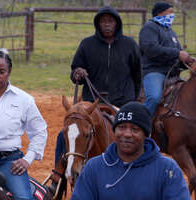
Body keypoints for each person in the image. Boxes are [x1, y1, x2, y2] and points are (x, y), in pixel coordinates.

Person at [52, 5, 142, 189]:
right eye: (103, 21)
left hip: (121, 102)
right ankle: (58, 174)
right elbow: (74, 70)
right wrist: (77, 72)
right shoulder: (87, 44)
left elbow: (138, 75)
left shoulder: (130, 45)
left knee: (138, 134)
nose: (107, 25)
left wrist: (136, 101)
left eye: (110, 21)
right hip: (89, 102)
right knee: (69, 130)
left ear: (117, 24)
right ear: (98, 24)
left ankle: (139, 172)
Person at [70, 101, 191, 200]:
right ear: (114, 131)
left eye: (135, 129)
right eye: (121, 127)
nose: (127, 134)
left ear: (146, 135)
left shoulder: (167, 169)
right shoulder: (94, 167)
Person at [0, 50, 48, 200]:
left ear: (9, 72)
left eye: (1, 72)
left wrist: (27, 159)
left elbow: (39, 131)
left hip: (9, 161)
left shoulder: (24, 100)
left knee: (24, 197)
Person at [139, 2, 195, 115]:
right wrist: (177, 53)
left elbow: (178, 54)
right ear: (160, 13)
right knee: (154, 97)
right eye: (170, 12)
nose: (172, 15)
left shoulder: (170, 32)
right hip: (155, 72)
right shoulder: (149, 27)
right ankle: (142, 124)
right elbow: (151, 49)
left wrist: (186, 61)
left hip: (173, 74)